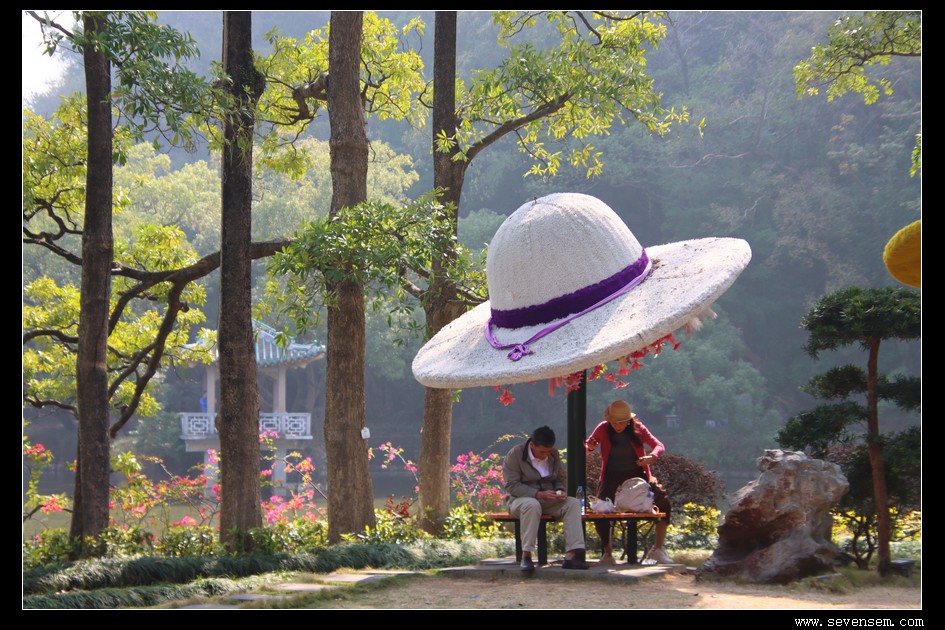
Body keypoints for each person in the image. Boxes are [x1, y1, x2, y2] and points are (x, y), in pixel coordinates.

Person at [585, 400, 674, 565]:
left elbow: (658, 445)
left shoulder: (638, 428)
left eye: (621, 422)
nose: (617, 426)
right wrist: (590, 446)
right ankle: (607, 553)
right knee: (601, 510)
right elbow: (587, 447)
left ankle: (658, 549)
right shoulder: (603, 428)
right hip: (611, 476)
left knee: (664, 503)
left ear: (628, 420)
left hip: (638, 475)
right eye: (614, 422)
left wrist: (651, 456)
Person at [503, 426, 589, 573]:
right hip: (520, 500)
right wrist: (537, 494)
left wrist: (560, 491)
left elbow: (560, 478)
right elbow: (512, 485)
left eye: (548, 451)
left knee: (573, 503)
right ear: (532, 445)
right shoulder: (515, 454)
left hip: (548, 499)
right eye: (542, 452)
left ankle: (572, 554)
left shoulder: (553, 455)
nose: (545, 455)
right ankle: (526, 555)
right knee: (532, 504)